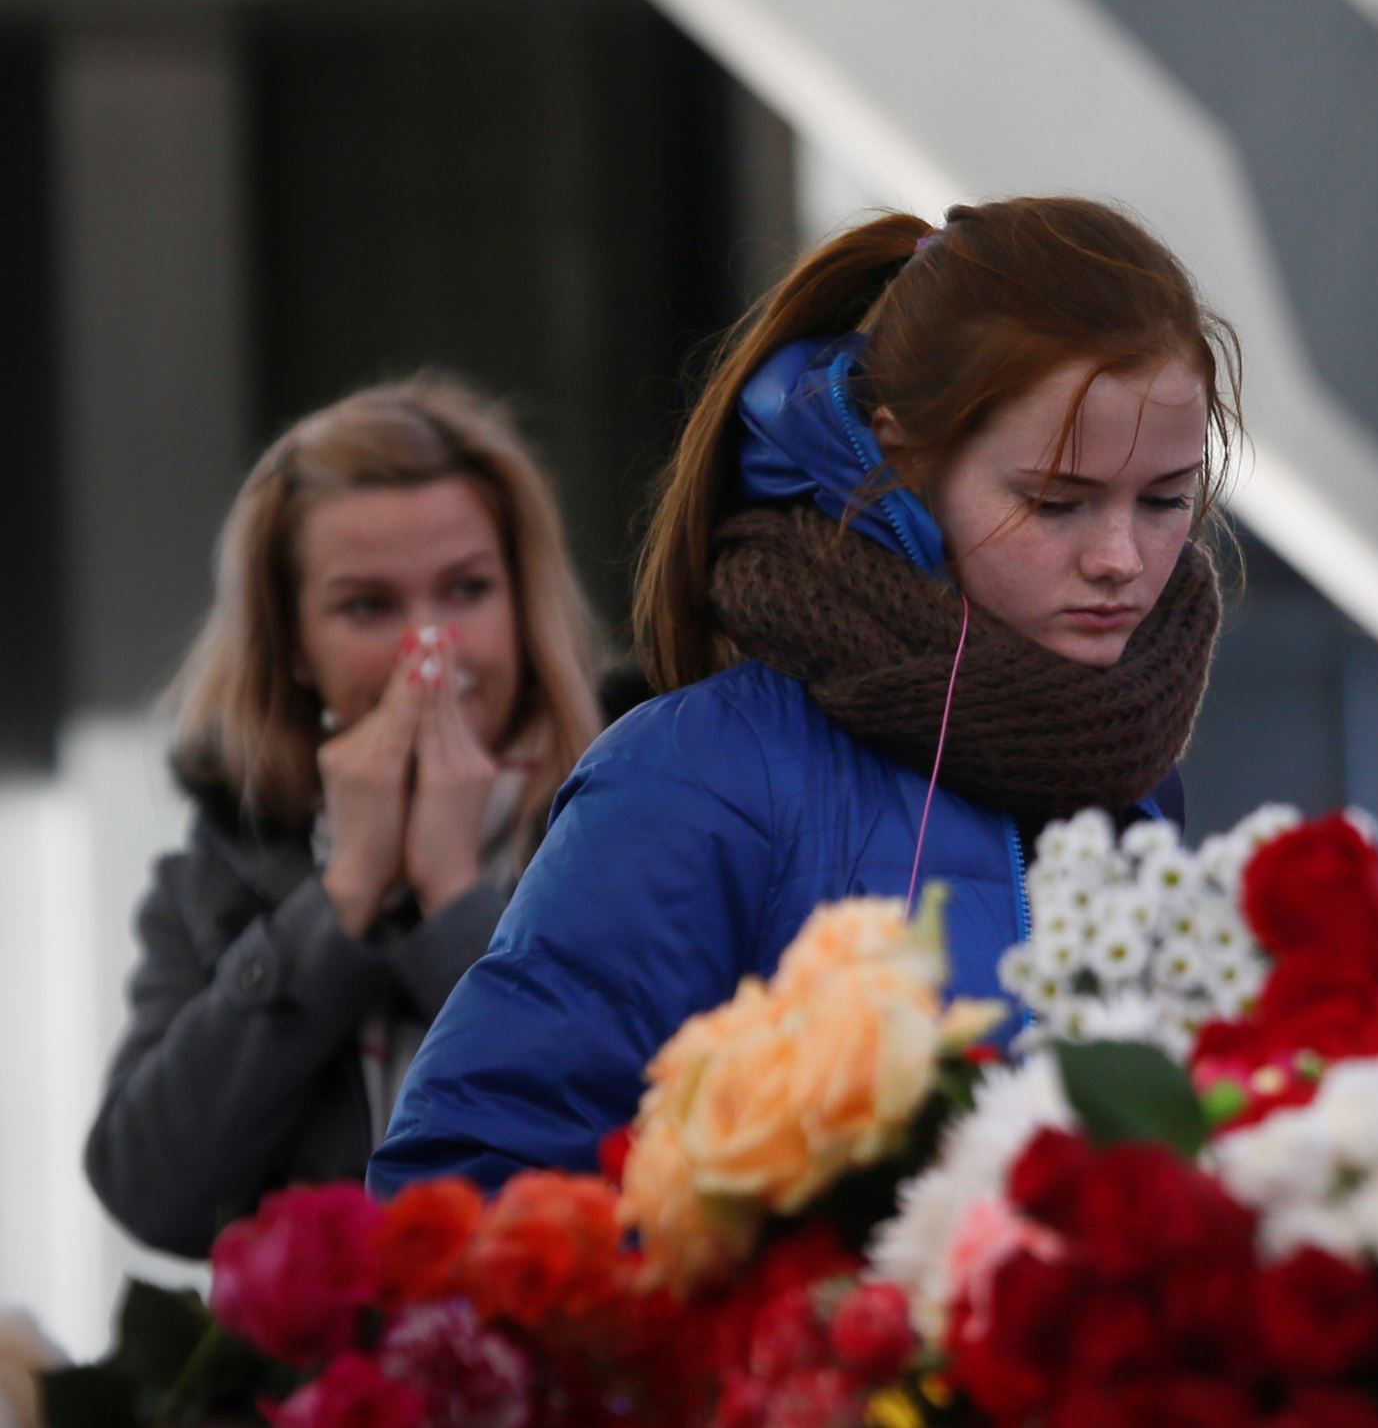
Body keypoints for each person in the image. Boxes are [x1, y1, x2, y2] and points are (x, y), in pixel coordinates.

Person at [369, 199, 1241, 1195]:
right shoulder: (692, 774)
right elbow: (461, 1187)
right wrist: (775, 1310)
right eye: (1056, 500)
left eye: (1166, 498)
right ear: (897, 463)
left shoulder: (1127, 771)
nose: (1121, 559)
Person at [85, 380, 605, 1256]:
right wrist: (342, 897)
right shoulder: (218, 870)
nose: (427, 649)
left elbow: (626, 1143)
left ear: (523, 604)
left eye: (467, 590)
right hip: (322, 1386)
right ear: (290, 644)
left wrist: (455, 902)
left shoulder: (627, 823)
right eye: (369, 605)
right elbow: (148, 1189)